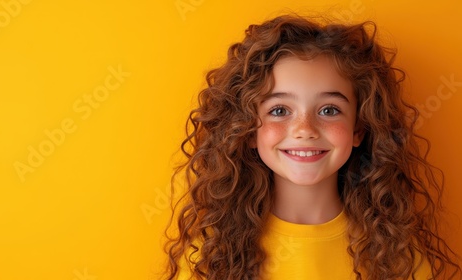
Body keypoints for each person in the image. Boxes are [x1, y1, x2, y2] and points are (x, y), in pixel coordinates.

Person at [163, 14, 461, 279]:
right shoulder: (210, 256)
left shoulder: (397, 258)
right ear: (248, 130)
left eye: (329, 110)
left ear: (358, 128)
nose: (304, 129)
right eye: (279, 110)